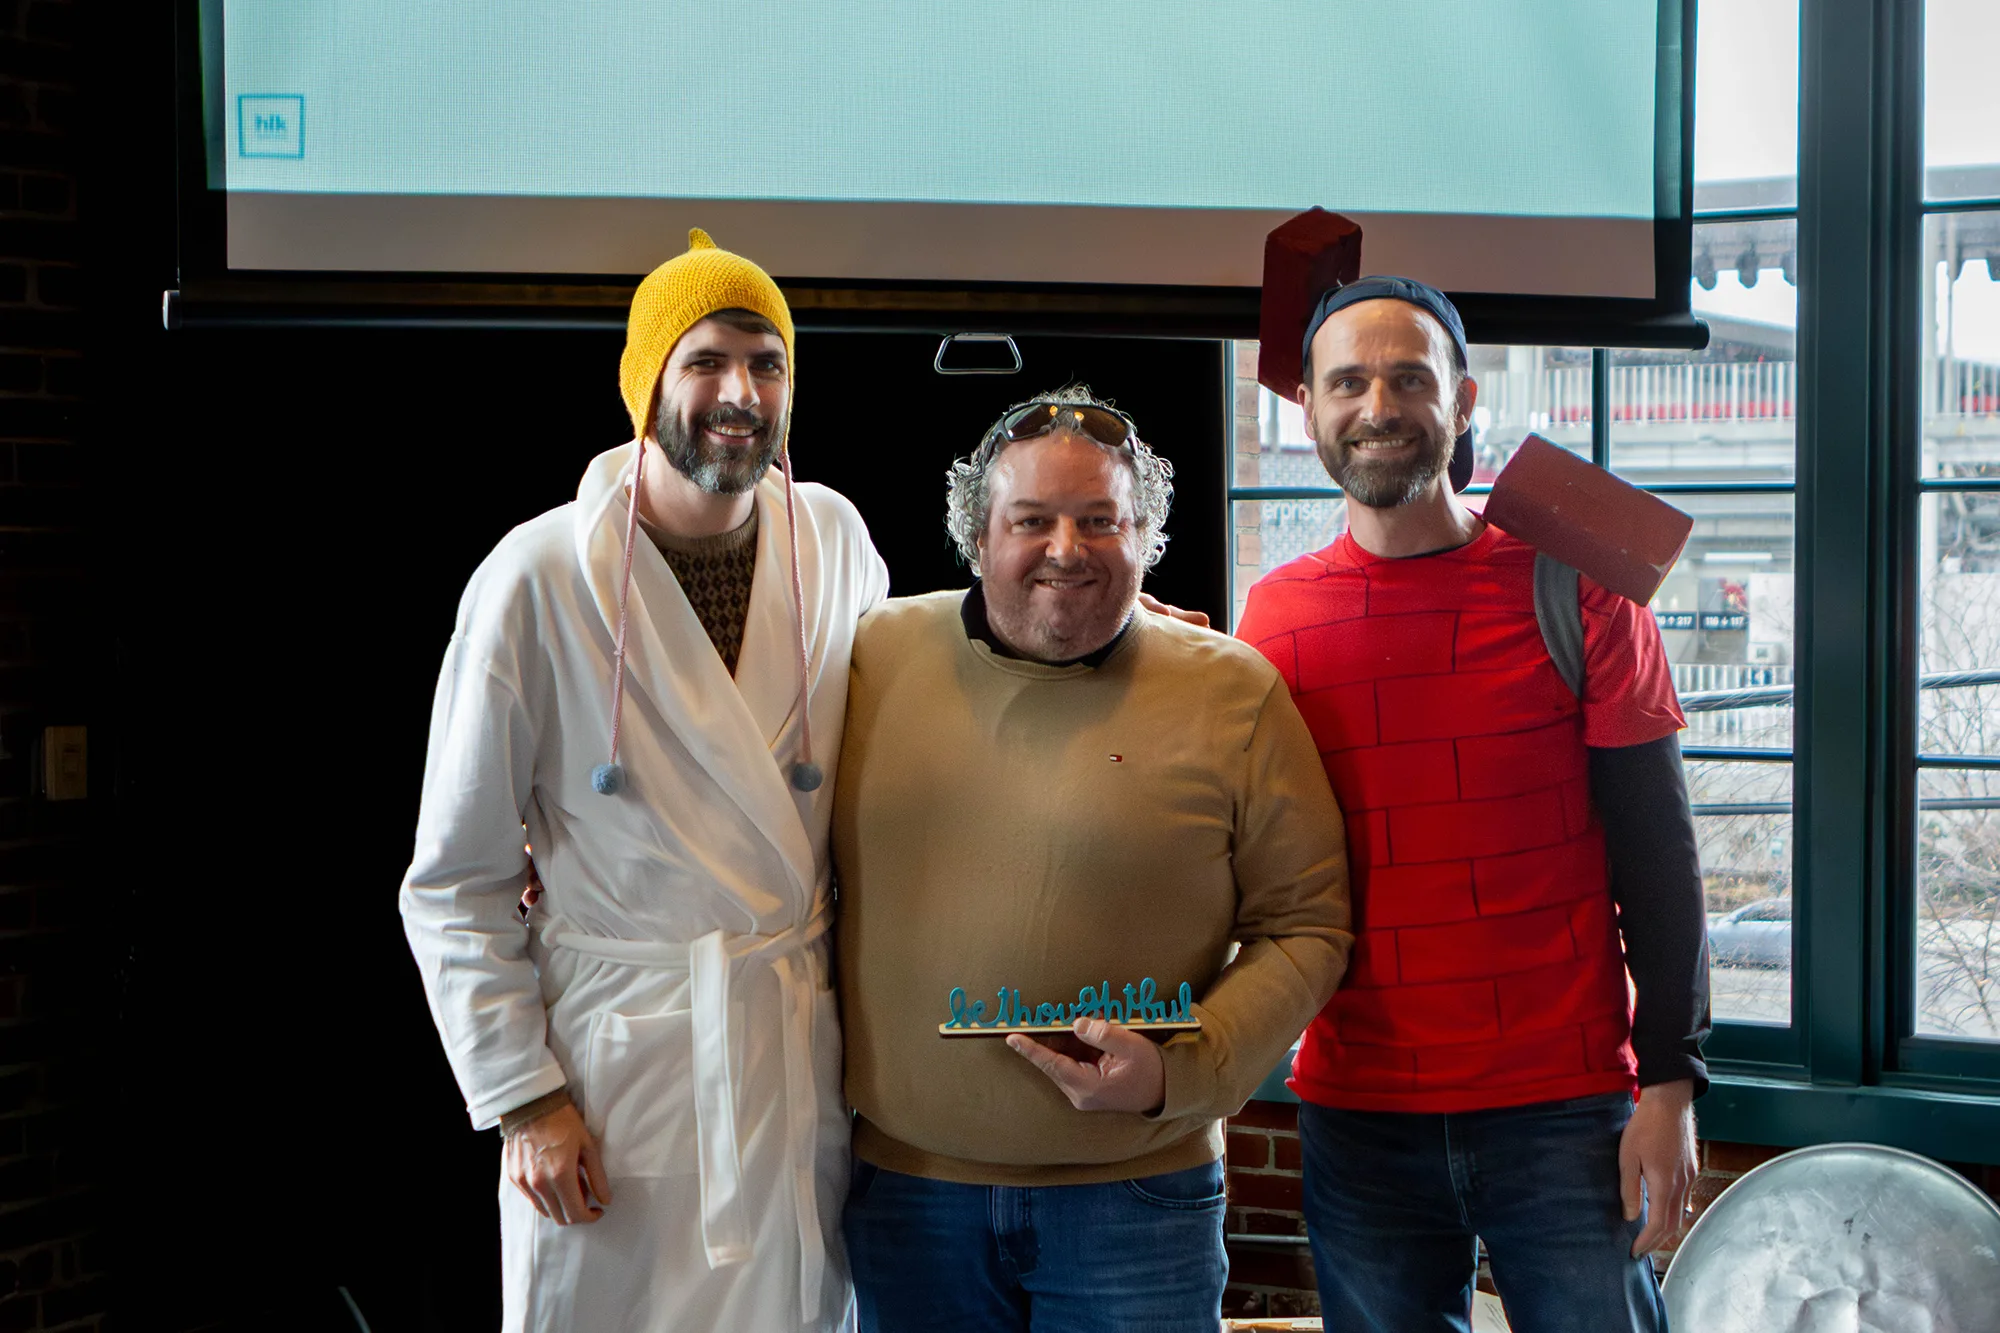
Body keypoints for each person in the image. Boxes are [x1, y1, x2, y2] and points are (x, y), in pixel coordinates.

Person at [399, 229, 889, 1332]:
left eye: (768, 364)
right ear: (647, 381)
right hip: (616, 1071)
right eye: (708, 359)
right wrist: (523, 1099)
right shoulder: (534, 577)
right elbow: (455, 879)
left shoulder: (835, 538)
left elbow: (920, 693)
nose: (740, 392)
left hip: (787, 1050)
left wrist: (1099, 621)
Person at [1235, 277, 1711, 1333]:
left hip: (1565, 1108)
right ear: (1306, 409)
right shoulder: (1269, 620)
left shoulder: (1576, 591)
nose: (1378, 407)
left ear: (1461, 400)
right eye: (1346, 382)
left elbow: (1657, 856)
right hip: (1358, 1115)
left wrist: (1670, 1080)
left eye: (1409, 378)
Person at [832, 387, 1354, 1333]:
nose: (1065, 548)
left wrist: (1180, 1069)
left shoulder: (1234, 692)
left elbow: (1308, 923)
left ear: (1147, 534)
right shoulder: (867, 659)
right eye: (1031, 519)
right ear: (977, 536)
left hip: (1139, 1202)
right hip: (909, 1199)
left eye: (1099, 520)